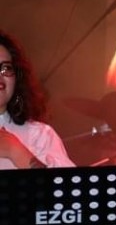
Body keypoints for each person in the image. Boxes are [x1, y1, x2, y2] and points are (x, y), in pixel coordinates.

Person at [0, 30, 75, 170]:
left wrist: (15, 151)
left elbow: (65, 183)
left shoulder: (39, 135)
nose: (0, 77)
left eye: (6, 68)